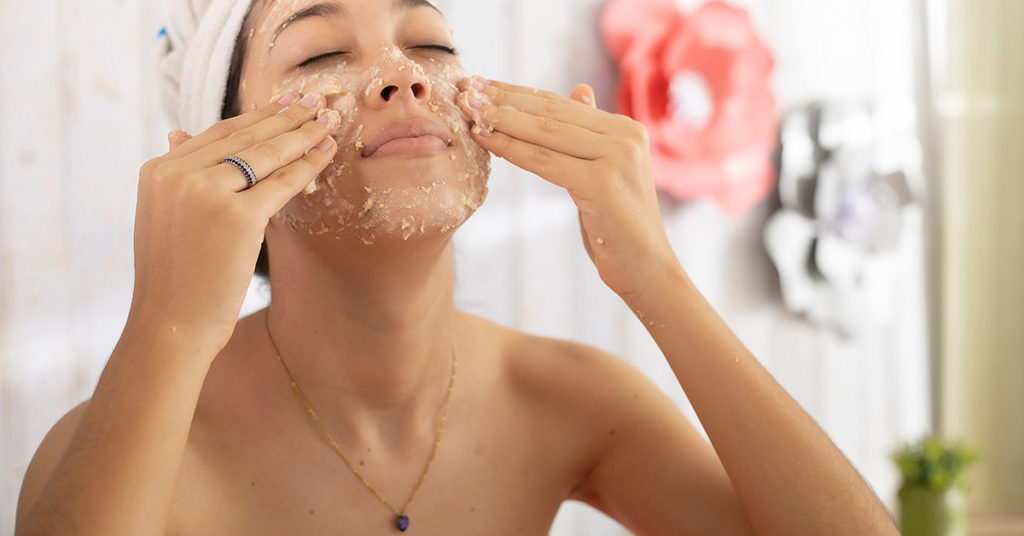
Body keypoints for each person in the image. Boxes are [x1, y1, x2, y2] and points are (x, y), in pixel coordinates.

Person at [15, 0, 900, 534]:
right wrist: (169, 327)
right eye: (321, 54)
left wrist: (657, 282)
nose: (404, 77)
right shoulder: (138, 448)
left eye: (430, 45)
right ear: (222, 156)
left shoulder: (574, 404)